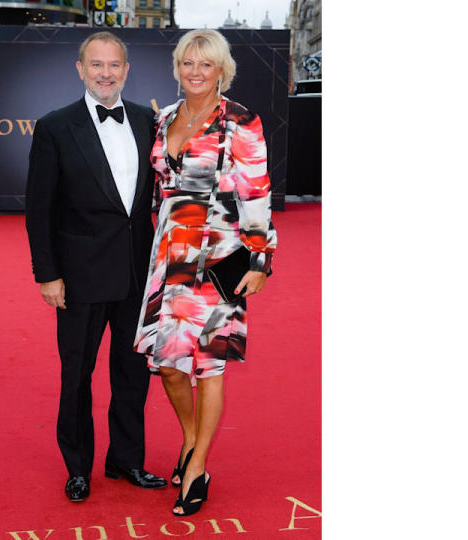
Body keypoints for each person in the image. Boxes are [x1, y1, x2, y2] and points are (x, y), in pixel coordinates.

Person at [133, 29, 277, 516]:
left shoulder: (241, 121)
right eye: (187, 63)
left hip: (217, 257)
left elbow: (257, 194)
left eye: (206, 65)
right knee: (170, 367)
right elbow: (159, 190)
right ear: (177, 67)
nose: (195, 72)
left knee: (208, 366)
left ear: (222, 70)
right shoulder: (165, 118)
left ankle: (197, 466)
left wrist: (260, 259)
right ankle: (192, 441)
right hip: (169, 256)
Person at [25, 31, 167, 503]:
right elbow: (39, 208)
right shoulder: (54, 127)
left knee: (132, 373)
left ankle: (126, 460)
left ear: (126, 70)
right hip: (80, 277)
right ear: (80, 69)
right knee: (77, 375)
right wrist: (47, 274)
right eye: (96, 65)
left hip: (137, 273)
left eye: (114, 65)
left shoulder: (150, 121)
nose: (106, 73)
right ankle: (78, 468)